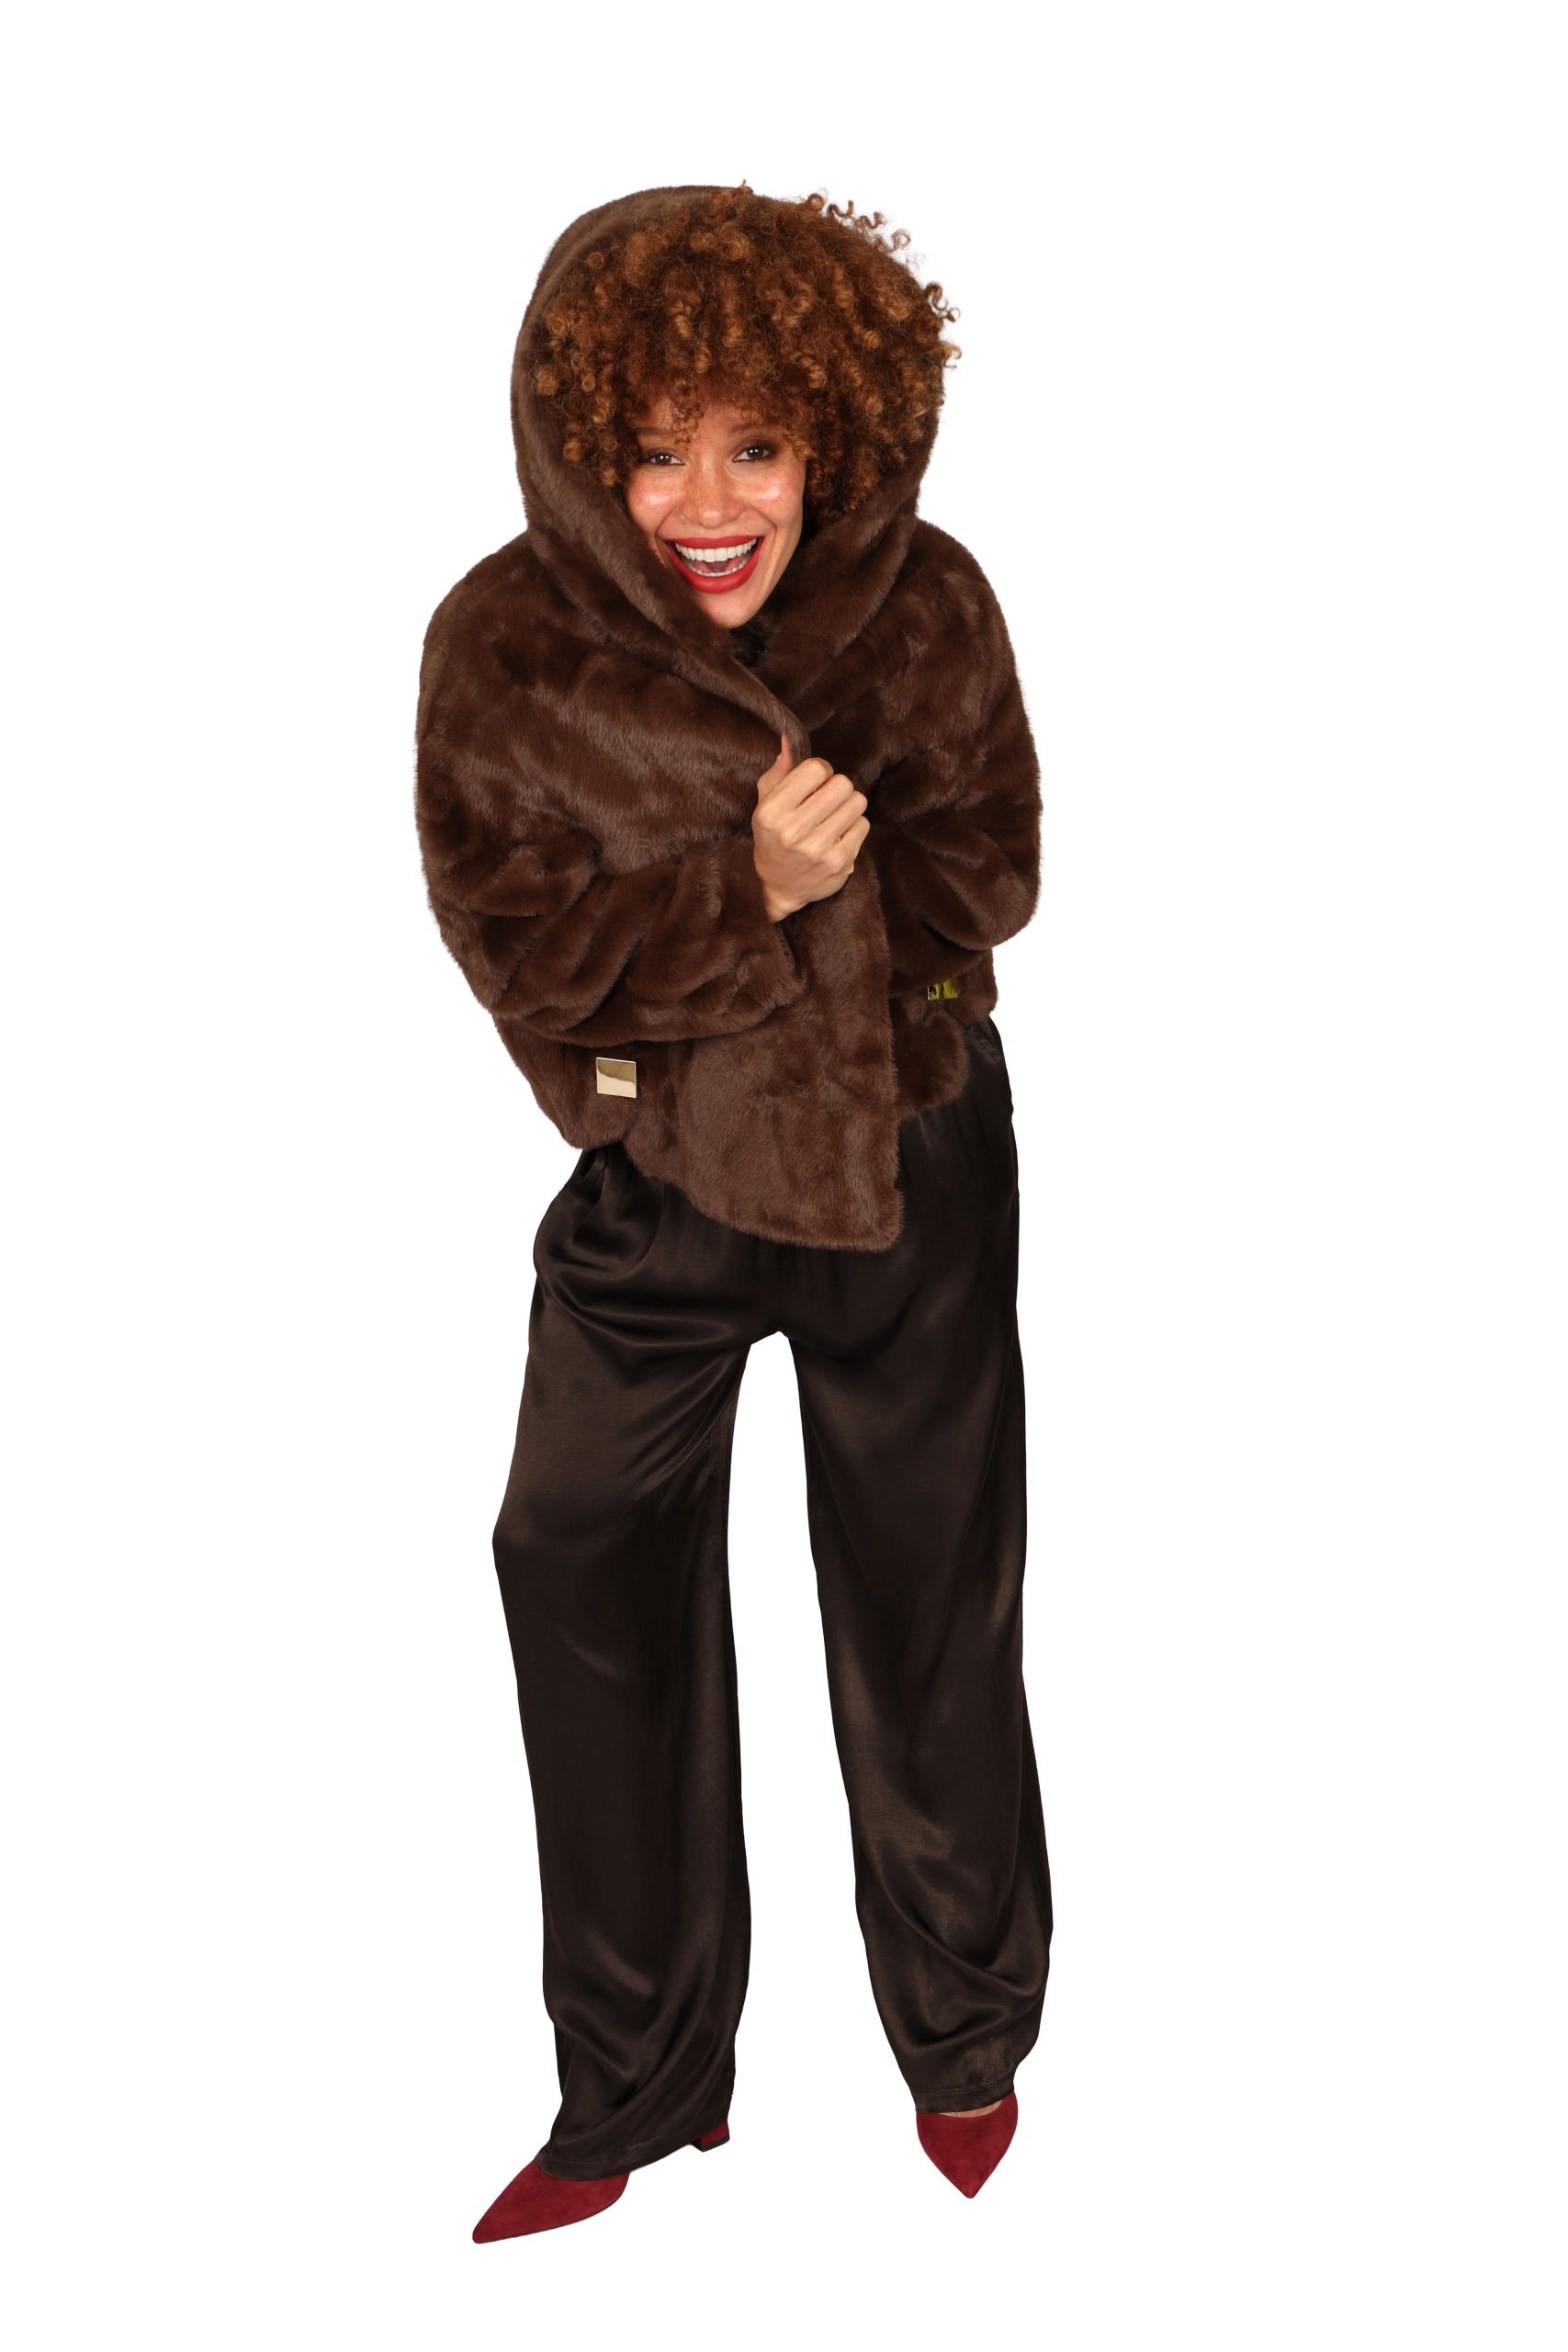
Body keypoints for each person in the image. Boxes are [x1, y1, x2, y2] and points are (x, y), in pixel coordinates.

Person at [416, 184, 1050, 2240]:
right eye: (655, 449)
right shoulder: (504, 647)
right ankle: (633, 2082)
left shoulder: (924, 603)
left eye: (755, 445)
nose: (709, 503)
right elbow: (522, 952)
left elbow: (992, 873)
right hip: (660, 1184)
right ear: (581, 449)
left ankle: (964, 2038)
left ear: (828, 439)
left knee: (928, 1599)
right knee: (573, 1561)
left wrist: (851, 924)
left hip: (906, 1162)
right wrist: (747, 892)